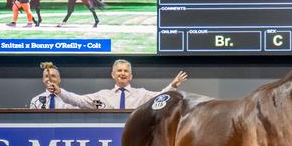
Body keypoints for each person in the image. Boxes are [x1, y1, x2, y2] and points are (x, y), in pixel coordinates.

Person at [49, 59, 188, 109]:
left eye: (126, 71)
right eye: (119, 71)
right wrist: (59, 91)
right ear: (113, 75)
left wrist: (173, 86)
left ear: (131, 76)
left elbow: (160, 97)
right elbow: (78, 100)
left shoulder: (142, 94)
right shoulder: (102, 96)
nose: (123, 73)